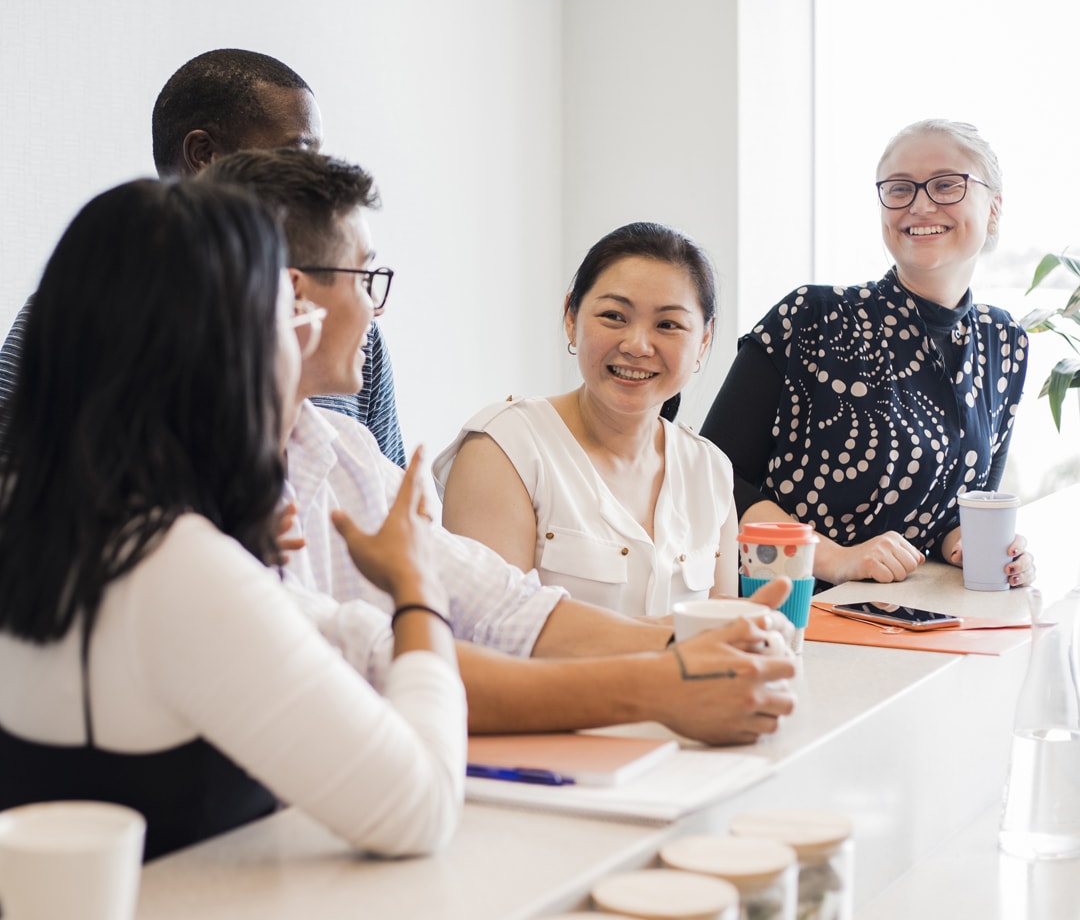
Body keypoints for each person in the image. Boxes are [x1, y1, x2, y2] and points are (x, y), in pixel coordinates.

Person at [200, 149, 797, 747]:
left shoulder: (345, 451)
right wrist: (663, 684)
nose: (375, 314)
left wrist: (696, 644)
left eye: (669, 324)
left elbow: (501, 604)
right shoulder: (192, 493)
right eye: (366, 280)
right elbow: (379, 666)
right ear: (293, 299)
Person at [0, 179, 465, 861]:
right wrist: (418, 591)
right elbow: (419, 808)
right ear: (224, 356)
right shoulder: (172, 566)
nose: (301, 336)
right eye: (287, 316)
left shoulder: (40, 516)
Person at [0, 48, 406, 467]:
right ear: (204, 156)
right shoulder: (83, 312)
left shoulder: (354, 334)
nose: (316, 178)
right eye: (297, 153)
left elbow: (399, 508)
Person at [700, 119, 1036, 588]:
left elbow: (956, 511)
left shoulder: (1005, 341)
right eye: (900, 189)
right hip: (784, 611)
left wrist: (974, 545)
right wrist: (835, 558)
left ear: (994, 209)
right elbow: (711, 478)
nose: (920, 204)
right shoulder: (811, 316)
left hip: (913, 614)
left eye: (945, 185)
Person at [433, 222, 737, 617]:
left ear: (704, 340)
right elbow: (487, 635)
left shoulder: (710, 470)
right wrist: (669, 646)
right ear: (571, 318)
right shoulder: (504, 448)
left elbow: (726, 639)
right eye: (614, 316)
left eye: (668, 325)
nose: (637, 346)